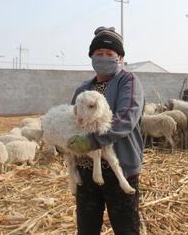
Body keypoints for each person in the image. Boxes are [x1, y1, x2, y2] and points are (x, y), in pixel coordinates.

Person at [68, 26, 145, 235]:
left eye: (109, 54)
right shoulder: (83, 89)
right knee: (87, 229)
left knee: (125, 228)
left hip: (119, 170)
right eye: (98, 53)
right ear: (91, 56)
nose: (103, 58)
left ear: (119, 57)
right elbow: (71, 121)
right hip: (86, 170)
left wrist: (91, 141)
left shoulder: (128, 81)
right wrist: (65, 143)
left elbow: (126, 118)